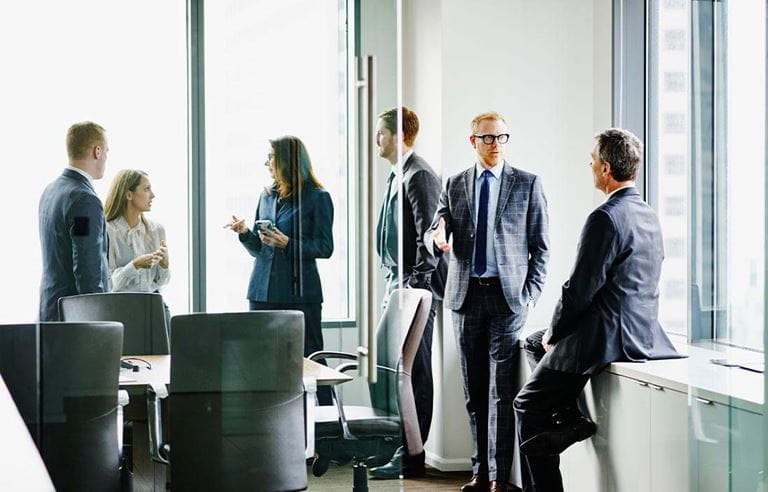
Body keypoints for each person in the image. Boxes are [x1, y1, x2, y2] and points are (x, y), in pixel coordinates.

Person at [513, 128, 684, 492]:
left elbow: (579, 292)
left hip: (605, 336)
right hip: (642, 332)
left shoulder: (605, 217)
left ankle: (565, 432)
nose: (589, 165)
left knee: (527, 406)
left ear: (605, 168)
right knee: (532, 341)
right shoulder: (647, 214)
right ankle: (571, 417)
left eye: (592, 160)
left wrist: (555, 335)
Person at [426, 112, 550, 492]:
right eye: (488, 138)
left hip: (507, 299)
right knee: (474, 390)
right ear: (473, 141)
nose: (495, 144)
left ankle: (498, 477)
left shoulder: (527, 184)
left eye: (501, 138)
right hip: (465, 297)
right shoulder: (455, 183)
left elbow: (541, 249)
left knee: (501, 391)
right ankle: (479, 472)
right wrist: (438, 234)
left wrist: (527, 295)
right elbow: (437, 225)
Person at [368, 107, 446, 479]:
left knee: (414, 371)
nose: (376, 140)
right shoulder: (397, 175)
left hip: (415, 288)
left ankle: (412, 455)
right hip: (397, 283)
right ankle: (397, 446)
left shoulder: (420, 176)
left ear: (398, 135)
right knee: (394, 369)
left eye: (380, 133)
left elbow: (430, 237)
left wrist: (415, 282)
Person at [227, 135, 333, 403]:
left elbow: (325, 247)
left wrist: (288, 243)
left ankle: (325, 430)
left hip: (300, 294)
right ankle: (268, 429)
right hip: (262, 293)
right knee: (261, 366)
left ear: (287, 161)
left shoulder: (318, 197)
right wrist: (245, 233)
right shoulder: (266, 196)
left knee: (310, 363)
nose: (266, 163)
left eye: (271, 157)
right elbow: (261, 249)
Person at [39, 122, 110, 322]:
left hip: (50, 311)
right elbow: (87, 263)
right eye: (106, 151)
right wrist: (99, 320)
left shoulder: (51, 191)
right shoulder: (83, 200)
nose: (106, 157)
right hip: (75, 321)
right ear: (97, 151)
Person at [103, 169, 170, 317]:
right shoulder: (108, 231)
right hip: (122, 310)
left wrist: (165, 265)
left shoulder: (156, 230)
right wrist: (134, 265)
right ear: (129, 194)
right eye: (146, 189)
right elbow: (109, 285)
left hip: (153, 307)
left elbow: (161, 282)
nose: (152, 195)